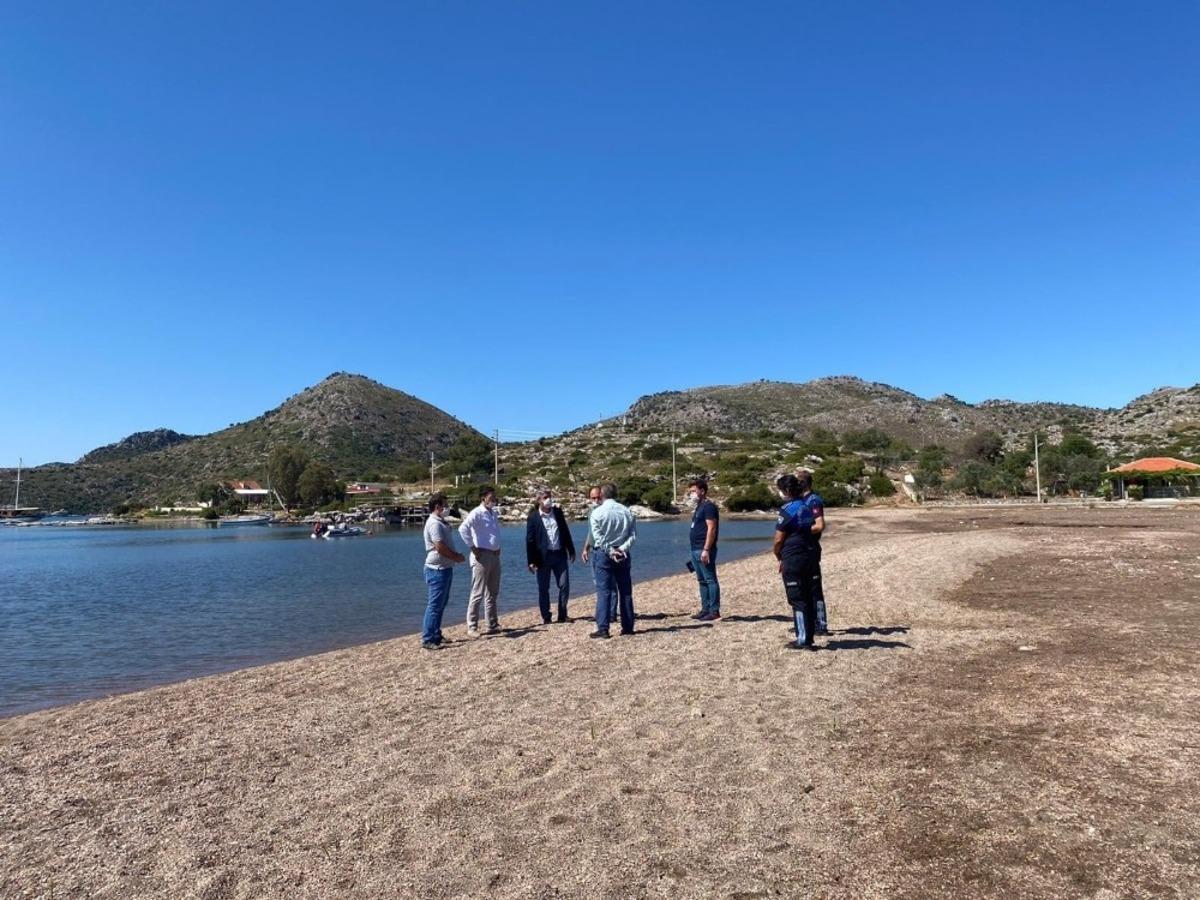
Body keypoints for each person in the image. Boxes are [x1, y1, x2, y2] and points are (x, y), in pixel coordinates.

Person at [774, 472, 825, 650]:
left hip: (793, 557)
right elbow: (813, 527)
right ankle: (809, 634)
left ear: (787, 490)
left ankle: (803, 639)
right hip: (809, 554)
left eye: (780, 490)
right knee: (808, 596)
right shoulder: (806, 505)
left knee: (797, 599)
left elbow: (778, 539)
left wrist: (778, 555)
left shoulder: (787, 510)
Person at [584, 483, 637, 638]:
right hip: (623, 553)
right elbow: (632, 536)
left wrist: (610, 550)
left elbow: (598, 538)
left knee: (604, 591)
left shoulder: (597, 513)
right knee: (625, 590)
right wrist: (622, 549)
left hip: (604, 554)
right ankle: (628, 626)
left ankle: (603, 628)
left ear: (601, 495)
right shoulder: (627, 511)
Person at [421, 492, 465, 650]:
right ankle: (428, 638)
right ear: (437, 507)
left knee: (441, 603)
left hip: (445, 568)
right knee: (434, 605)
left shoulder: (441, 521)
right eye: (445, 505)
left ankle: (436, 634)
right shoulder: (433, 523)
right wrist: (456, 557)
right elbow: (439, 546)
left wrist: (454, 558)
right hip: (436, 569)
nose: (448, 508)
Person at [526, 488, 577, 624]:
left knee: (564, 584)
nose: (548, 499)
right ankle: (546, 617)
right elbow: (530, 540)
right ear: (539, 500)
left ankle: (562, 614)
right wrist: (531, 561)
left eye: (549, 496)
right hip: (543, 558)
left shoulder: (558, 513)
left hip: (559, 554)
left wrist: (571, 549)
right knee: (543, 588)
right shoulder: (533, 517)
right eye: (545, 497)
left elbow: (565, 531)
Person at [458, 486, 503, 636]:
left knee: (492, 592)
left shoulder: (493, 513)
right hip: (481, 555)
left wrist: (497, 547)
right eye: (491, 498)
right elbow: (463, 529)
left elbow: (493, 533)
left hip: (494, 555)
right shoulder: (476, 513)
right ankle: (472, 626)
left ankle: (492, 623)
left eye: (494, 498)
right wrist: (473, 548)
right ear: (483, 498)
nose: (494, 501)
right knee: (477, 592)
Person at [797, 467, 830, 635]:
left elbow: (820, 525)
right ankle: (809, 622)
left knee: (814, 588)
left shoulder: (814, 501)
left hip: (810, 548)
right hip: (800, 549)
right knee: (803, 588)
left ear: (803, 484)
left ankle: (821, 624)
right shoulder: (801, 501)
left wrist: (801, 531)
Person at [580, 485, 617, 622]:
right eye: (593, 498)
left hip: (606, 550)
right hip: (595, 549)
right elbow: (591, 532)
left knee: (610, 584)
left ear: (602, 496)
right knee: (599, 583)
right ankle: (602, 613)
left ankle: (611, 614)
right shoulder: (591, 511)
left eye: (598, 497)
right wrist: (586, 548)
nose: (595, 500)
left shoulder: (605, 511)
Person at [687, 478, 721, 621]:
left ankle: (714, 610)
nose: (692, 494)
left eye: (694, 491)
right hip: (695, 548)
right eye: (690, 492)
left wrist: (706, 549)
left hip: (704, 548)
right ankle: (705, 608)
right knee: (701, 580)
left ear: (702, 491)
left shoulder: (709, 507)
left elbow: (711, 528)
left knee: (710, 579)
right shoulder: (699, 507)